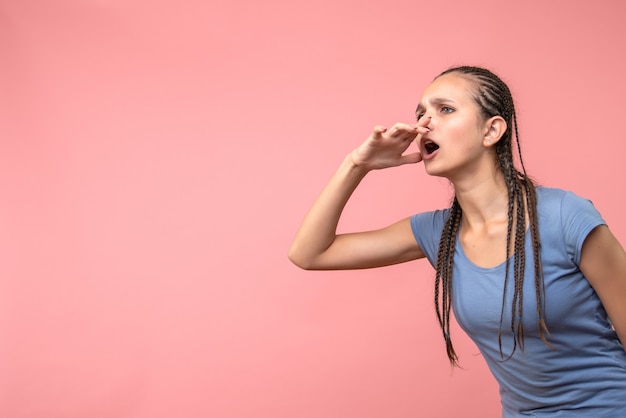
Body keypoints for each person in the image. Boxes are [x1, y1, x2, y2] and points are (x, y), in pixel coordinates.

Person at [288, 66, 626, 416]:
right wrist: (357, 164)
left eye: (444, 109)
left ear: (491, 130)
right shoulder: (438, 233)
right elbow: (309, 253)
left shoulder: (564, 217)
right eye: (420, 113)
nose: (423, 124)